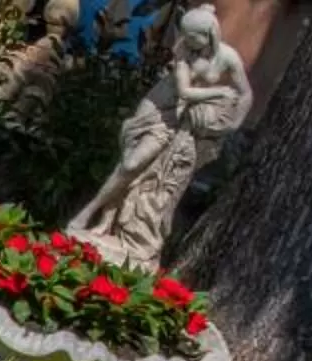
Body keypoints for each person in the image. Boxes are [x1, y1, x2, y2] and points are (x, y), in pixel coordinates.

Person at [67, 6, 252, 266]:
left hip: (179, 120)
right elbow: (185, 92)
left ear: (210, 34)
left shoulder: (228, 57)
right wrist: (219, 93)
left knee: (147, 174)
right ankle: (87, 216)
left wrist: (231, 125)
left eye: (193, 37)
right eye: (184, 35)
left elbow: (245, 94)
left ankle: (113, 226)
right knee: (130, 165)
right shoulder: (184, 53)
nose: (187, 42)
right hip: (157, 112)